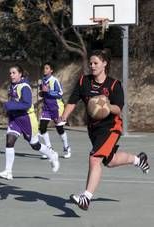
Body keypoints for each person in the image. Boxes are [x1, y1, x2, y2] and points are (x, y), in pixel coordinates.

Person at [62, 49, 150, 210]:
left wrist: (107, 106)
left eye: (96, 63)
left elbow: (118, 108)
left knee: (95, 158)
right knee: (109, 161)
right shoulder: (84, 81)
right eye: (90, 63)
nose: (92, 66)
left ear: (104, 64)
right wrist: (63, 117)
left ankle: (86, 197)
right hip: (94, 128)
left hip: (111, 127)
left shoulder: (114, 85)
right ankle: (139, 160)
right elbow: (73, 101)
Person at [0, 65, 59, 180]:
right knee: (9, 141)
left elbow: (26, 104)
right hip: (15, 120)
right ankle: (8, 171)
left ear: (20, 74)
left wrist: (9, 105)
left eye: (14, 73)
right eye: (10, 73)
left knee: (35, 145)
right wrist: (9, 111)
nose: (11, 75)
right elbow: (14, 102)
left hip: (27, 119)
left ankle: (52, 155)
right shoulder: (12, 86)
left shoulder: (25, 87)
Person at [38, 62, 71, 159]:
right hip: (47, 107)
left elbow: (60, 93)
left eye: (47, 68)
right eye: (44, 68)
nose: (45, 70)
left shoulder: (54, 80)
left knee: (59, 129)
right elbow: (43, 94)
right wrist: (42, 93)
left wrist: (48, 91)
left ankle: (66, 147)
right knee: (42, 127)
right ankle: (49, 149)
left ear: (51, 70)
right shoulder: (42, 81)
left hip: (56, 107)